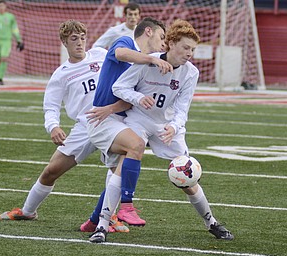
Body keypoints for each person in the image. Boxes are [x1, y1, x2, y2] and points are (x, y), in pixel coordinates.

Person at [89, 19, 234, 243]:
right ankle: (102, 225)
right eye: (186, 47)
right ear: (171, 43)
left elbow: (182, 108)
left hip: (166, 127)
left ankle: (211, 222)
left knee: (187, 177)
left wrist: (173, 127)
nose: (189, 53)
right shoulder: (149, 62)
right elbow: (119, 87)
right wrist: (139, 97)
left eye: (193, 49)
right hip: (138, 120)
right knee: (128, 157)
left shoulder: (190, 73)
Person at [0, 19, 129, 233]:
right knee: (52, 171)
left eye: (82, 38)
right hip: (85, 126)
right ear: (64, 42)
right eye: (74, 39)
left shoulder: (100, 55)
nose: (80, 43)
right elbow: (50, 106)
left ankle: (109, 216)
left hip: (111, 121)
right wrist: (54, 127)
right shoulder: (61, 73)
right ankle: (28, 210)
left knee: (119, 170)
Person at [80, 17, 173, 237]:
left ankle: (94, 221)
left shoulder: (144, 65)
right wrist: (152, 59)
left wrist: (112, 108)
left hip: (118, 119)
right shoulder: (126, 43)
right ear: (148, 31)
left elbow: (131, 99)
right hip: (101, 121)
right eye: (161, 37)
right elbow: (120, 54)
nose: (163, 44)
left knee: (117, 176)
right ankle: (126, 207)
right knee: (137, 146)